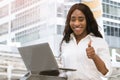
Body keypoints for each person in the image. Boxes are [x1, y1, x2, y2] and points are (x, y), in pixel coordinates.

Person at [59, 3, 112, 80]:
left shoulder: (99, 42)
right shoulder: (65, 43)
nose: (76, 23)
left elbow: (106, 72)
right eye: (73, 19)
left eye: (81, 19)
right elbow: (64, 73)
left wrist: (94, 56)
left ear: (88, 21)